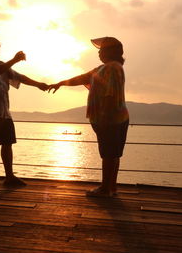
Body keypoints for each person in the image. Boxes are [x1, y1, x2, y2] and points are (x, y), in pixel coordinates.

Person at [48, 37, 129, 197]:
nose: (99, 52)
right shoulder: (106, 68)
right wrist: (61, 83)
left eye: (102, 49)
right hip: (117, 116)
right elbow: (82, 78)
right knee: (113, 153)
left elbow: (110, 94)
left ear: (111, 51)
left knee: (108, 153)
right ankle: (111, 187)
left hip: (110, 118)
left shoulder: (111, 68)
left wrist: (105, 116)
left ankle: (105, 189)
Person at [0, 33, 48, 189]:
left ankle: (9, 176)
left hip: (4, 112)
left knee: (7, 144)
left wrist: (38, 84)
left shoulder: (1, 63)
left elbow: (19, 77)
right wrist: (14, 60)